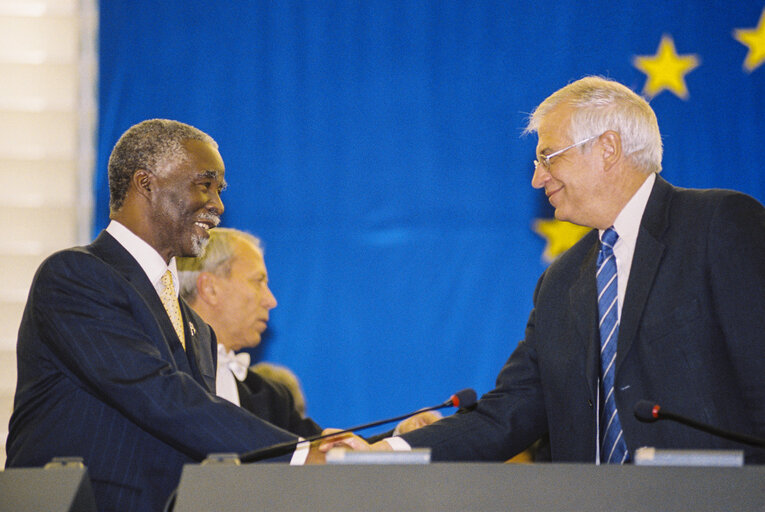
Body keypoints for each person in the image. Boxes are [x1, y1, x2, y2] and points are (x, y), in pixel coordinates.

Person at [362, 76, 765, 464]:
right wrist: (389, 452)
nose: (538, 179)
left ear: (608, 148)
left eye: (548, 157)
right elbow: (508, 413)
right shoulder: (560, 281)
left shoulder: (717, 224)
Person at [4, 119, 341, 512]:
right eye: (205, 184)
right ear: (146, 184)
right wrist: (297, 455)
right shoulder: (76, 277)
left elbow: (198, 436)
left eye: (220, 189)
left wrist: (337, 448)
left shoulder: (196, 325)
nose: (218, 205)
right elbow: (160, 396)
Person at [177, 227, 440, 438]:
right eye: (259, 282)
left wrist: (400, 436)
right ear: (210, 288)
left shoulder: (272, 398)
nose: (271, 300)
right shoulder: (166, 373)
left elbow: (324, 455)